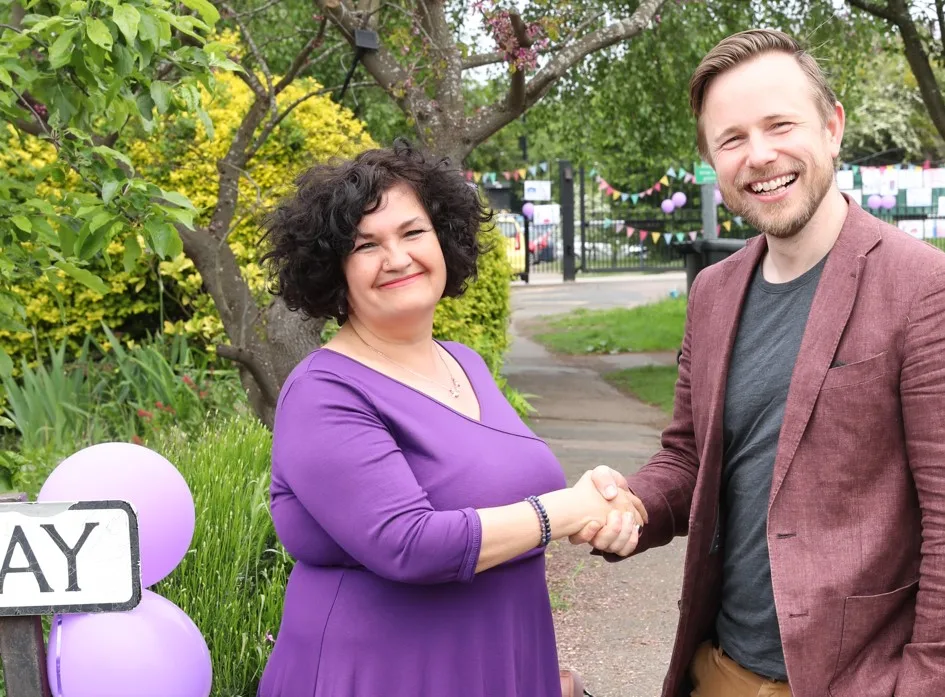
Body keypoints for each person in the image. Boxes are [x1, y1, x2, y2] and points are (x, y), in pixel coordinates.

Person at [574, 28, 945, 697]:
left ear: (832, 126)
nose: (759, 155)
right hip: (717, 670)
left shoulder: (921, 287)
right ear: (710, 161)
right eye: (732, 138)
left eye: (780, 124)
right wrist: (630, 503)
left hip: (855, 680)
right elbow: (689, 456)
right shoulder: (714, 292)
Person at [256, 141, 642, 697]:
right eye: (366, 245)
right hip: (380, 676)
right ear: (333, 270)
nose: (397, 257)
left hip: (503, 661)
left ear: (443, 239)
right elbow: (406, 543)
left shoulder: (464, 362)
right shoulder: (324, 392)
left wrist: (602, 507)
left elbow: (509, 497)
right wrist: (565, 509)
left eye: (413, 233)